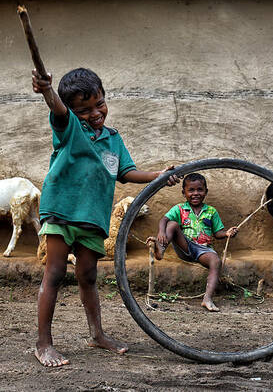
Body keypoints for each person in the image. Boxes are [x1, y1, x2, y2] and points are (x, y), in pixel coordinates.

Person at [31, 67, 179, 367]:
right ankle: (43, 343)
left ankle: (97, 334)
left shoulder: (113, 138)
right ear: (73, 112)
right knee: (56, 272)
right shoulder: (69, 128)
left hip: (92, 218)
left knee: (88, 276)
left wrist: (157, 176)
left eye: (99, 104)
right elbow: (58, 110)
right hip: (61, 211)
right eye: (84, 110)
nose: (95, 113)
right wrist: (47, 90)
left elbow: (126, 172)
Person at [148, 173, 238, 312]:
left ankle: (207, 299)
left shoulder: (211, 211)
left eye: (200, 190)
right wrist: (161, 232)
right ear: (184, 193)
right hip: (185, 245)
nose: (195, 193)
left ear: (205, 192)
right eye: (191, 190)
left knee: (216, 261)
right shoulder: (179, 208)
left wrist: (226, 233)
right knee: (172, 224)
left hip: (203, 250)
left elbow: (217, 233)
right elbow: (164, 220)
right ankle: (161, 249)